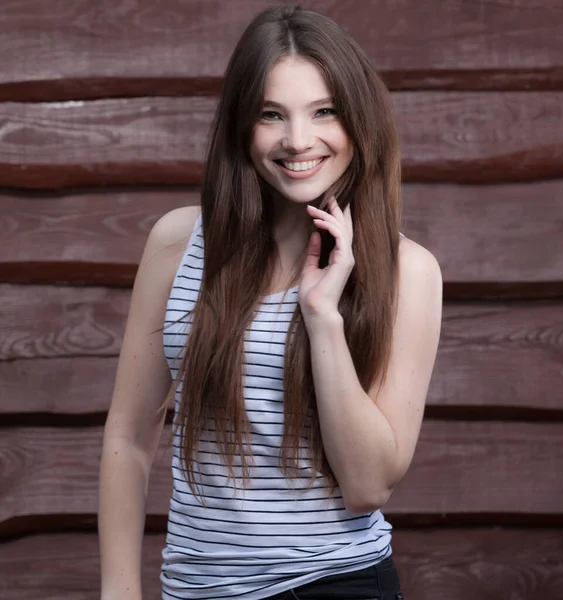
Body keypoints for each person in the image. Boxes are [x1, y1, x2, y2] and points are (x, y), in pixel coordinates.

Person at [98, 5, 442, 600]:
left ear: (358, 121)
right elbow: (127, 438)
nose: (298, 140)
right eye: (271, 115)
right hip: (195, 588)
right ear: (242, 126)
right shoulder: (179, 243)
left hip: (334, 584)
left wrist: (323, 316)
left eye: (324, 111)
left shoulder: (408, 271)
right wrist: (119, 592)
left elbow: (367, 486)